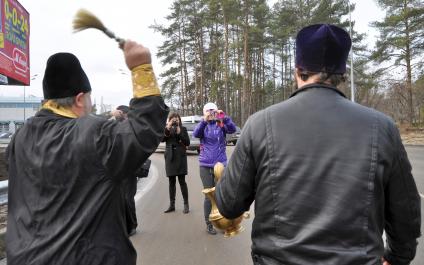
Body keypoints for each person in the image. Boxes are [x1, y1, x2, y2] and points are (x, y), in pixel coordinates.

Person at [215, 24, 421, 265]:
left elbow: (229, 206)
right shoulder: (383, 127)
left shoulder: (260, 124)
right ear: (342, 74)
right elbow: (405, 213)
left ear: (298, 70)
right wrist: (397, 257)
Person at [6, 40, 169, 265]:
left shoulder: (20, 137)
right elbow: (145, 130)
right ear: (80, 99)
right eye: (90, 99)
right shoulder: (94, 133)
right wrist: (142, 69)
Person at [193, 102, 236, 235]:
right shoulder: (203, 125)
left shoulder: (220, 124)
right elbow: (196, 134)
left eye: (213, 112)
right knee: (209, 197)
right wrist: (204, 121)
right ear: (204, 113)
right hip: (205, 166)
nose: (211, 114)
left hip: (220, 165)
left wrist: (225, 118)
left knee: (221, 196)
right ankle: (209, 224)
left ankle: (223, 223)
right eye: (209, 112)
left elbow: (232, 129)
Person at [110, 105, 140, 237]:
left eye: (119, 113)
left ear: (123, 113)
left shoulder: (131, 125)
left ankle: (132, 226)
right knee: (121, 199)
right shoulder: (118, 124)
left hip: (130, 169)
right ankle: (125, 226)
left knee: (128, 198)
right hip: (118, 169)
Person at [162, 112, 190, 214]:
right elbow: (162, 139)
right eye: (172, 119)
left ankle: (186, 204)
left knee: (182, 181)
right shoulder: (167, 129)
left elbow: (187, 142)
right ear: (169, 120)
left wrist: (180, 133)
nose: (175, 120)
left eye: (176, 118)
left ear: (179, 120)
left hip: (180, 157)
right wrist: (168, 127)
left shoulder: (183, 129)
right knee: (171, 182)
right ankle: (172, 205)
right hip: (170, 157)